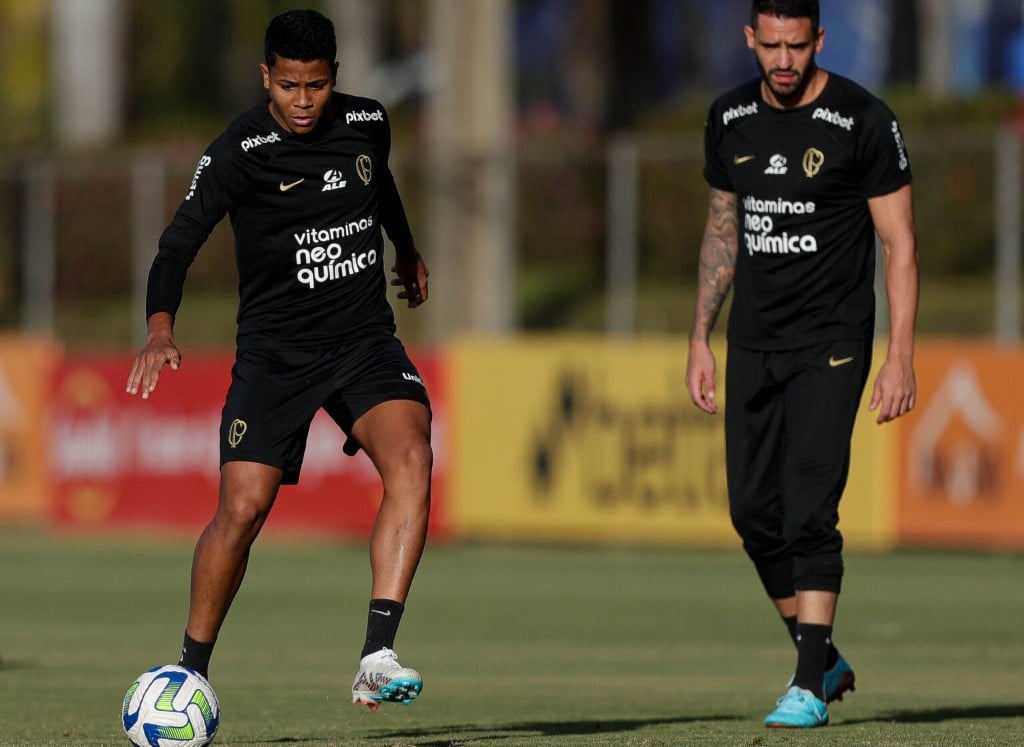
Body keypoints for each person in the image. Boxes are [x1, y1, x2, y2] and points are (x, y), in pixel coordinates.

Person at [125, 8, 432, 712]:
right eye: (290, 85)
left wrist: (407, 249)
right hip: (275, 355)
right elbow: (178, 243)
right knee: (243, 507)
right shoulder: (241, 149)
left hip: (362, 340)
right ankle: (188, 671)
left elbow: (377, 181)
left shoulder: (368, 123)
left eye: (316, 86)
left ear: (335, 80)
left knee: (412, 452)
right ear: (267, 76)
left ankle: (376, 656)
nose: (302, 101)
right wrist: (160, 328)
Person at [684, 0, 918, 729]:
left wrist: (900, 353)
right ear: (749, 38)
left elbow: (900, 244)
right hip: (754, 342)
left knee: (811, 507)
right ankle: (823, 656)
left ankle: (807, 685)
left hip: (834, 342)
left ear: (820, 38)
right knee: (754, 514)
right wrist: (700, 335)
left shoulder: (865, 120)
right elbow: (722, 229)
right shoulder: (728, 119)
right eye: (771, 47)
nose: (783, 62)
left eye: (797, 46)